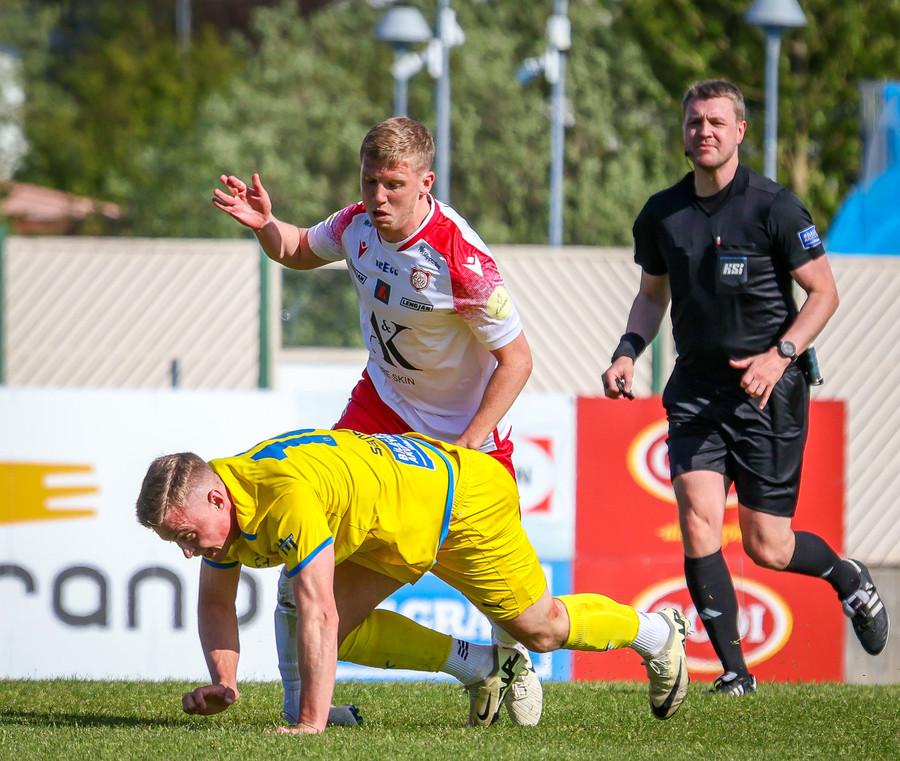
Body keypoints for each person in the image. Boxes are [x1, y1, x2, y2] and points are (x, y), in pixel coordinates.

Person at [213, 117, 538, 725]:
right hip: (379, 410)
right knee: (305, 576)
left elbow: (517, 360)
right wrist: (266, 226)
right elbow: (299, 250)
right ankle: (305, 710)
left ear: (425, 183)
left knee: (515, 609)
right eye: (369, 182)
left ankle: (511, 658)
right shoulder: (356, 224)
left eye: (393, 184)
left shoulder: (461, 257)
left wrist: (469, 442)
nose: (378, 197)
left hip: (458, 439)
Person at [601, 79, 889, 696]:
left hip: (768, 393)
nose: (704, 131)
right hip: (696, 393)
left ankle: (847, 577)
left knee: (768, 546)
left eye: (716, 122)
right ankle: (736, 673)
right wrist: (627, 352)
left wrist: (780, 356)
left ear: (740, 131)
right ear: (684, 133)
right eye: (694, 122)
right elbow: (652, 296)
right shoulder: (661, 214)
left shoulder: (775, 207)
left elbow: (824, 293)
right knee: (698, 521)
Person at [135, 428, 691, 731]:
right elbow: (215, 605)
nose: (188, 551)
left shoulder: (283, 499)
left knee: (542, 629)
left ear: (216, 498)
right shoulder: (225, 503)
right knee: (335, 633)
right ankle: (484, 667)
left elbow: (319, 612)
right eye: (177, 542)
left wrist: (309, 725)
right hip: (391, 531)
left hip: (462, 506)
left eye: (187, 536)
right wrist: (226, 684)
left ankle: (656, 633)